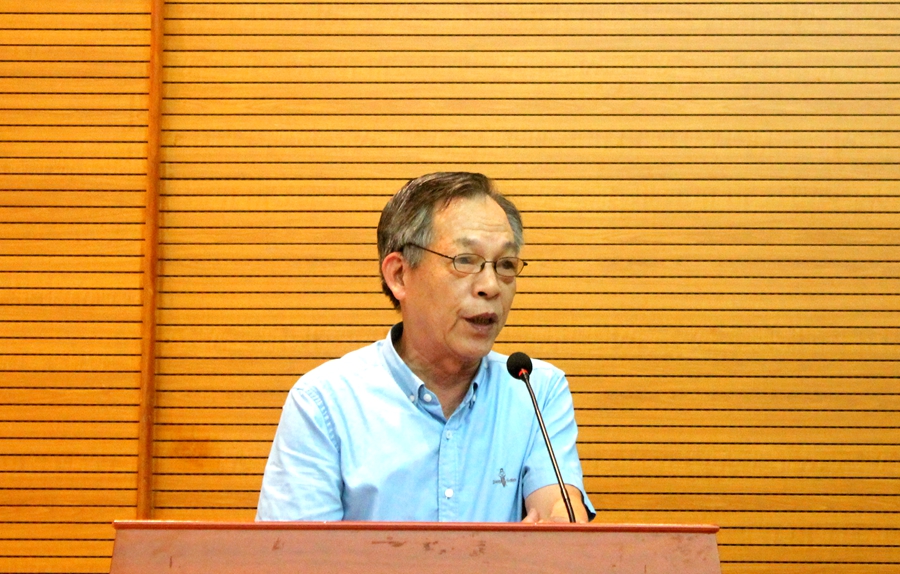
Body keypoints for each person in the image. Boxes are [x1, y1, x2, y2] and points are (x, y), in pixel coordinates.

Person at [256, 172, 594, 523]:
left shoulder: (535, 390)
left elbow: (557, 508)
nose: (491, 286)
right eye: (465, 260)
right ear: (399, 275)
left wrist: (561, 521)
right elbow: (296, 550)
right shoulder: (324, 403)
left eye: (505, 265)